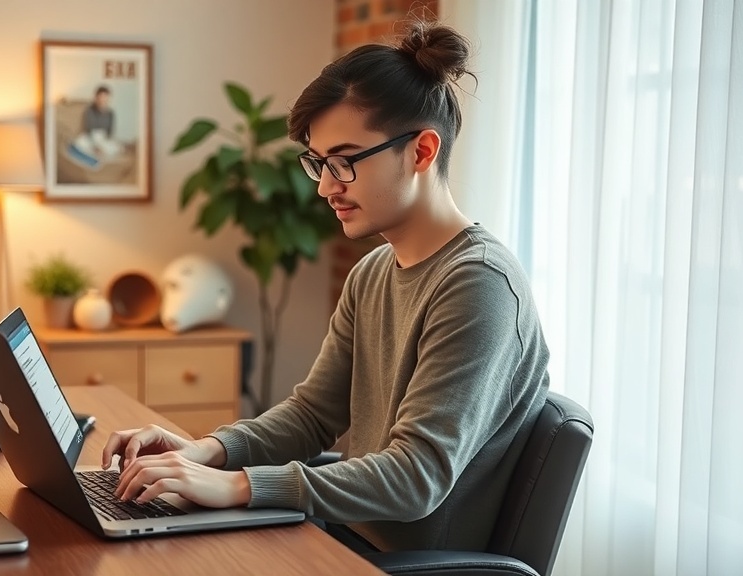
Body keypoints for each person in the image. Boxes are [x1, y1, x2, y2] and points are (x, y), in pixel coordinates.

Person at [102, 18, 550, 554]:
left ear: (421, 152)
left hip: (398, 561)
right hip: (340, 538)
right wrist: (204, 452)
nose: (325, 187)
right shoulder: (373, 272)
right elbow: (312, 416)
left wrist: (238, 486)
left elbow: (416, 478)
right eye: (319, 164)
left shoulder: (479, 284)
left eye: (344, 161)